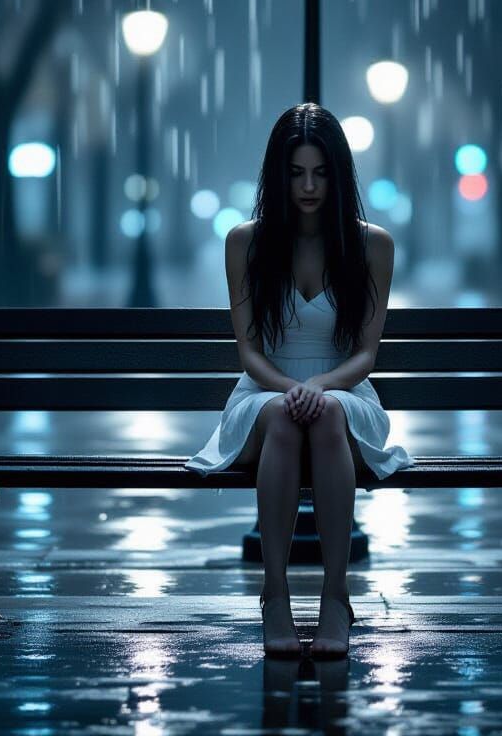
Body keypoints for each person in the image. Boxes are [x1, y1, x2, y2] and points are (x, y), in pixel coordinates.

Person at [185, 103, 414, 658]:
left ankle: (336, 595)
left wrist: (323, 387)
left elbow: (366, 354)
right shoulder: (247, 242)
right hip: (264, 394)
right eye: (295, 173)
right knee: (286, 418)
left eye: (320, 172)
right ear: (277, 176)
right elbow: (249, 351)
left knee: (329, 410)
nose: (308, 186)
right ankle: (277, 595)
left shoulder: (372, 245)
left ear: (338, 175)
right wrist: (290, 389)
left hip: (346, 393)